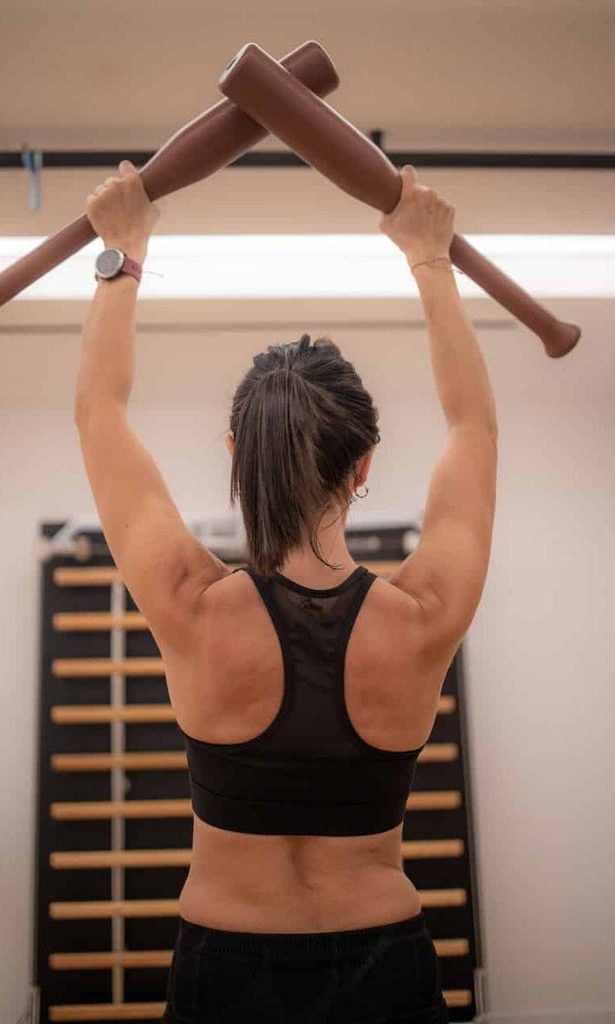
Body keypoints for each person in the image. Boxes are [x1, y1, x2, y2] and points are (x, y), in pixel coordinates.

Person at [161, 165, 498, 1023]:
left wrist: (121, 254)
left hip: (225, 970)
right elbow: (474, 427)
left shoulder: (194, 608)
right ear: (364, 466)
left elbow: (98, 412)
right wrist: (428, 257)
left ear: (238, 454)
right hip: (383, 964)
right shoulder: (423, 620)